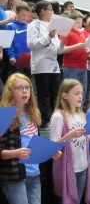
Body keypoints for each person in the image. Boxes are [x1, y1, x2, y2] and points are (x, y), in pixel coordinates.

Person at [50, 79, 90, 204]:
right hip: (67, 169)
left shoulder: (81, 114)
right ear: (65, 95)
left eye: (81, 93)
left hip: (83, 166)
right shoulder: (58, 116)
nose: (80, 97)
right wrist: (68, 136)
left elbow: (83, 140)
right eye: (76, 93)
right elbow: (52, 147)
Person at [0, 73, 42, 204]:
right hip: (15, 176)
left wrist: (50, 151)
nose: (25, 91)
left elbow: (36, 143)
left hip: (34, 173)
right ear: (10, 91)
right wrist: (16, 153)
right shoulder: (4, 115)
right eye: (19, 88)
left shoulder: (33, 113)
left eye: (27, 87)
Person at [27, 1, 62, 128]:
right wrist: (48, 36)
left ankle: (56, 119)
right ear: (42, 11)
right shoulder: (33, 25)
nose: (52, 12)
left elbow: (58, 49)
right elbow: (31, 44)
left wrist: (67, 45)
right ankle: (45, 121)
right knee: (44, 94)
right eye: (50, 9)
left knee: (56, 93)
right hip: (41, 65)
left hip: (54, 65)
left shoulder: (53, 25)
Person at [61, 10, 90, 106]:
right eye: (77, 22)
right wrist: (77, 46)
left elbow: (83, 50)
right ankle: (70, 111)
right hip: (71, 66)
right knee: (72, 91)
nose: (79, 25)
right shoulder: (67, 32)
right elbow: (61, 50)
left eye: (81, 22)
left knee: (82, 91)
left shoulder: (81, 34)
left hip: (83, 66)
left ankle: (79, 112)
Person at [6, 1, 31, 76]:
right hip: (15, 60)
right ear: (16, 13)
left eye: (26, 15)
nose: (25, 17)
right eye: (23, 15)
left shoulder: (29, 26)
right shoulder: (9, 26)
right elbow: (8, 44)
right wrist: (11, 56)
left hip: (28, 60)